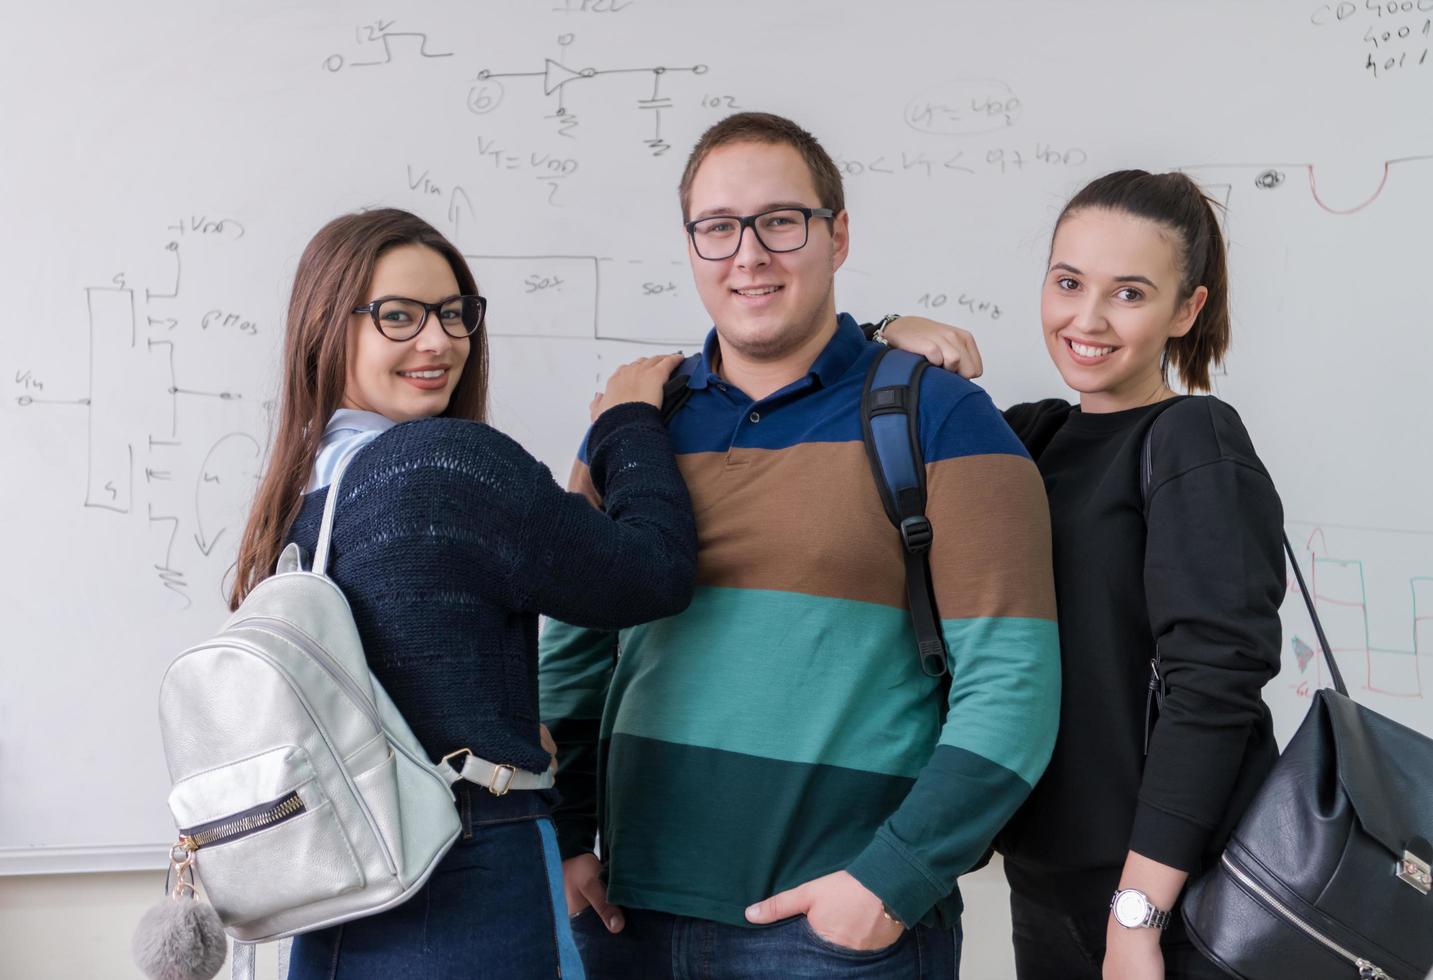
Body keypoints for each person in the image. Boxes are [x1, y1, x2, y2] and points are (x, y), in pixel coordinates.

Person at [539, 112, 1060, 979]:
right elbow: (570, 663)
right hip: (628, 921)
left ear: (837, 234)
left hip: (835, 935)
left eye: (781, 221)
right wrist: (558, 840)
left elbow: (1014, 684)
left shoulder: (940, 417)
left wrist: (887, 885)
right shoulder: (633, 430)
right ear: (693, 244)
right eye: (719, 227)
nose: (749, 254)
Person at [228, 208, 698, 980]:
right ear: (326, 326)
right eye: (398, 316)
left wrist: (502, 719)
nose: (439, 341)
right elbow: (653, 572)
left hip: (340, 897)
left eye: (454, 314)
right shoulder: (448, 464)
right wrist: (628, 423)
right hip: (467, 870)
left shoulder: (304, 497)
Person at [881, 170, 1286, 980]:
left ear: (1186, 310)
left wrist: (1137, 916)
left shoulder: (1191, 439)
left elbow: (1215, 684)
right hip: (1047, 886)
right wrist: (886, 328)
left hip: (1179, 901)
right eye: (1067, 283)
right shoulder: (1030, 438)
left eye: (1128, 293)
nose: (1086, 319)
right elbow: (843, 417)